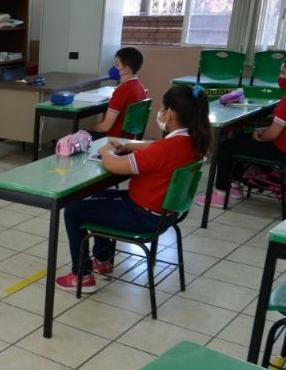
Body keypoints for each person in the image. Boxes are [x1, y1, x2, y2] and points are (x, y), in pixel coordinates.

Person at [56, 85, 212, 293]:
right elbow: (155, 148)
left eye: (163, 109)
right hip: (166, 214)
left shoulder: (165, 149)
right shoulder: (193, 141)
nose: (161, 113)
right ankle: (102, 259)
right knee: (95, 197)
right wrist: (129, 146)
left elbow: (113, 165)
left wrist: (106, 151)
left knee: (74, 210)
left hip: (143, 215)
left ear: (172, 113)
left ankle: (82, 276)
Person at [194, 48, 286, 209]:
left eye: (283, 73)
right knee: (239, 140)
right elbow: (284, 127)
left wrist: (260, 135)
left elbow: (273, 135)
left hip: (281, 150)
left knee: (226, 147)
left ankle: (221, 193)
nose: (280, 77)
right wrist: (264, 130)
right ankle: (234, 185)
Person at [89, 47, 148, 139]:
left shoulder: (122, 90)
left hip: (111, 140)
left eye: (117, 65)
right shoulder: (140, 87)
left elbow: (105, 127)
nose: (114, 68)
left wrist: (90, 127)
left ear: (127, 70)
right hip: (128, 139)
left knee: (74, 138)